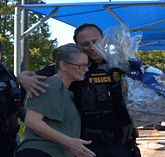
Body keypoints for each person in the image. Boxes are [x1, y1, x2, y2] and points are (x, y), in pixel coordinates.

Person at [17, 23, 141, 157]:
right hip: (86, 145)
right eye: (85, 44)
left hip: (121, 144)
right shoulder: (72, 67)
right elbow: (33, 76)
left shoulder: (119, 64)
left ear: (104, 41)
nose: (92, 47)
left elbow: (152, 77)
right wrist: (22, 77)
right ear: (78, 46)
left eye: (96, 41)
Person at [15, 43, 95, 157]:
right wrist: (70, 143)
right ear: (63, 65)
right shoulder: (54, 83)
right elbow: (31, 120)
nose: (86, 69)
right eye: (81, 66)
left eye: (87, 65)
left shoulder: (66, 90)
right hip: (40, 152)